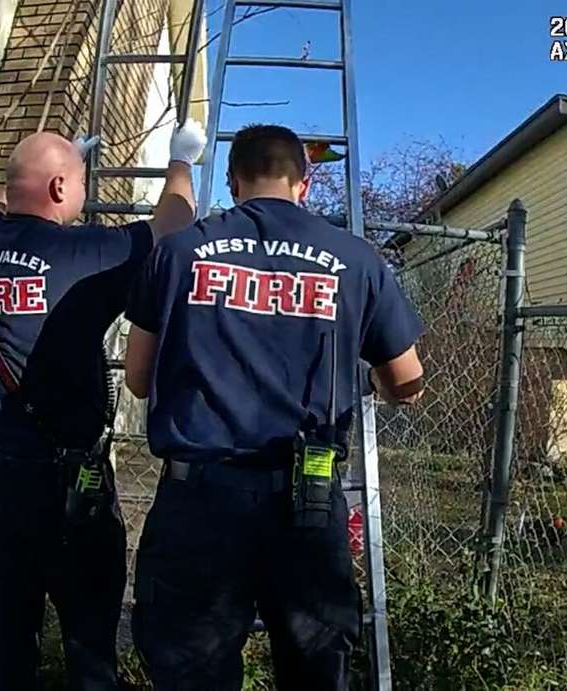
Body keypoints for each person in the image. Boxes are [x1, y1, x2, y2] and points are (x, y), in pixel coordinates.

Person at [123, 124, 426, 690]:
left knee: (191, 672)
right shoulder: (357, 261)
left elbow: (138, 379)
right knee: (315, 670)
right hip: (305, 504)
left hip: (198, 501)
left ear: (235, 182)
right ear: (304, 184)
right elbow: (407, 380)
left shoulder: (180, 252)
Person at [0, 121, 207, 690]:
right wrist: (181, 162)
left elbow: (6, 199)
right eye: (80, 181)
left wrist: (61, 159)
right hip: (69, 485)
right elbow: (172, 229)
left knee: (12, 614)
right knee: (90, 634)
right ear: (62, 190)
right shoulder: (88, 254)